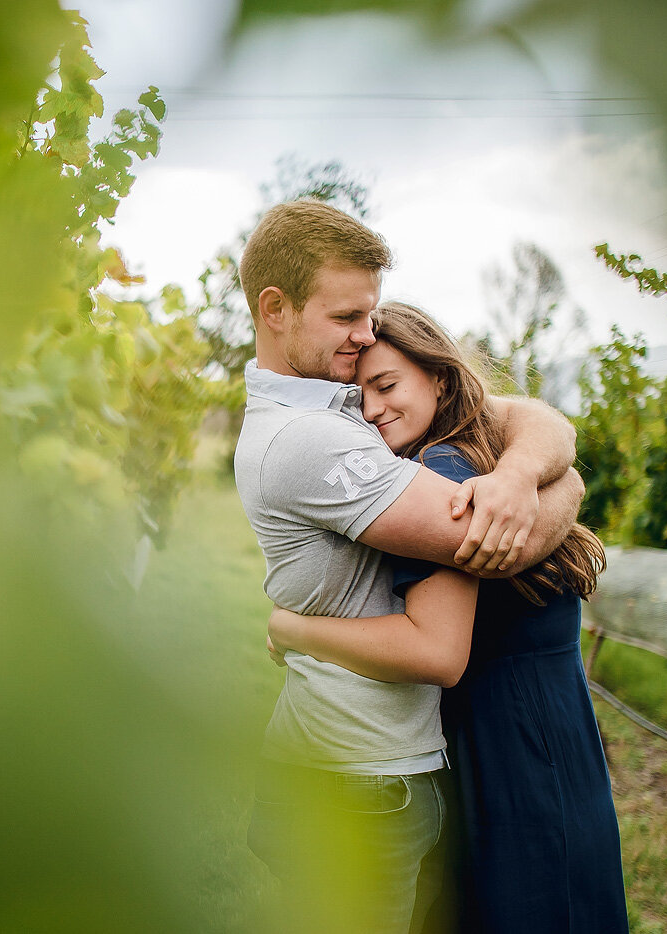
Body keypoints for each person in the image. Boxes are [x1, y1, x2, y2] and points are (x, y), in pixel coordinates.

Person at [233, 199, 585, 933]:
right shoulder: (313, 438)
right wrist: (568, 487)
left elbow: (530, 419)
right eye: (346, 318)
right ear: (276, 308)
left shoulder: (334, 411)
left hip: (350, 765)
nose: (363, 339)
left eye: (372, 320)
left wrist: (523, 476)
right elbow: (497, 545)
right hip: (359, 781)